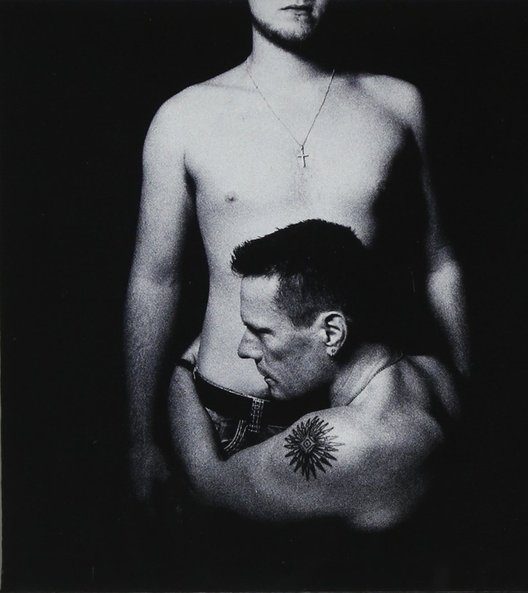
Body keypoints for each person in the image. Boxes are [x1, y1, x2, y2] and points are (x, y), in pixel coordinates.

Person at [125, 0, 469, 507]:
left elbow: (439, 263)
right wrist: (139, 437)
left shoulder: (397, 105)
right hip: (228, 417)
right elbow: (155, 280)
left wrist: (466, 397)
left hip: (368, 408)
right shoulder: (183, 118)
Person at [168, 220, 459, 532]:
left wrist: (180, 372)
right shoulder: (433, 371)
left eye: (262, 332)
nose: (244, 349)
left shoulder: (342, 444)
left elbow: (207, 484)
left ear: (332, 333)